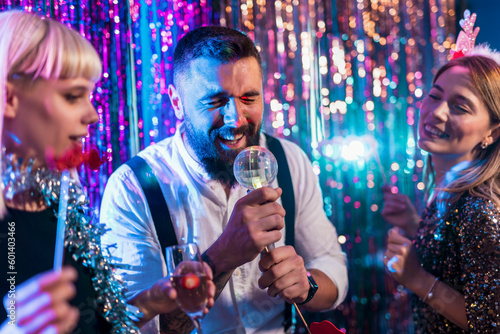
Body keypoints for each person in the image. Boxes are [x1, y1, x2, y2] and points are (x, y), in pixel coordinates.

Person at [100, 26, 348, 333]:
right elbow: (134, 325)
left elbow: (332, 266)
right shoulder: (134, 186)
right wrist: (224, 255)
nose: (236, 119)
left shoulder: (288, 159)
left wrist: (306, 285)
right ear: (177, 102)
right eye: (216, 101)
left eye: (249, 98)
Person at [0, 10, 215, 333]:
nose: (93, 115)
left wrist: (153, 301)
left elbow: (93, 321)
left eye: (89, 95)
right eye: (73, 96)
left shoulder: (60, 207)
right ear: (11, 98)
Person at [382, 12, 500, 332]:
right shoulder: (449, 189)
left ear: (492, 131)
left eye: (460, 106)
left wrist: (416, 278)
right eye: (434, 96)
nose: (436, 113)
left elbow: (490, 324)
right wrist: (414, 225)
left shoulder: (480, 210)